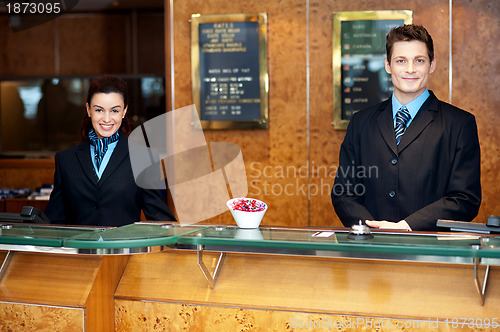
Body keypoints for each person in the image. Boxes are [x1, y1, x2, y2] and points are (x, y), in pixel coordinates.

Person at [331, 24, 481, 231]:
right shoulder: (361, 123)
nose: (410, 69)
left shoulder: (460, 124)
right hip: (372, 250)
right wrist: (374, 229)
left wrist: (407, 226)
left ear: (432, 65)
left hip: (431, 252)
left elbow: (465, 199)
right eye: (401, 61)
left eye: (419, 60)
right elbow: (344, 192)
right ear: (388, 65)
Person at [45, 75, 176, 226]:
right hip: (79, 248)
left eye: (114, 111)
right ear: (88, 110)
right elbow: (53, 221)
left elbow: (160, 218)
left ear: (124, 111)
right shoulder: (65, 160)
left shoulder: (144, 158)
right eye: (99, 110)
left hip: (125, 248)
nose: (106, 119)